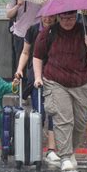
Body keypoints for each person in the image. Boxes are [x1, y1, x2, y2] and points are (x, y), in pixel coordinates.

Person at [33, 10, 87, 171]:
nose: (68, 21)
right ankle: (65, 156)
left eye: (71, 18)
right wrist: (37, 77)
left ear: (76, 17)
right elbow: (37, 56)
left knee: (80, 122)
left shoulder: (85, 31)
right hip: (56, 81)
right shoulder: (48, 32)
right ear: (58, 18)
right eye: (64, 18)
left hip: (82, 82)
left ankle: (70, 152)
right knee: (64, 119)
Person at [15, 14, 60, 164]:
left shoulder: (58, 32)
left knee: (53, 113)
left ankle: (51, 149)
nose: (48, 19)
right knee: (38, 112)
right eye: (46, 16)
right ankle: (36, 147)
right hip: (36, 76)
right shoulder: (33, 30)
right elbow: (25, 52)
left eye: (51, 16)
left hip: (54, 75)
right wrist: (20, 69)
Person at [6, 0, 41, 76]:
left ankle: (34, 87)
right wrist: (18, 5)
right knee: (20, 63)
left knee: (35, 62)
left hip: (36, 33)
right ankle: (21, 88)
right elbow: (8, 14)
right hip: (20, 34)